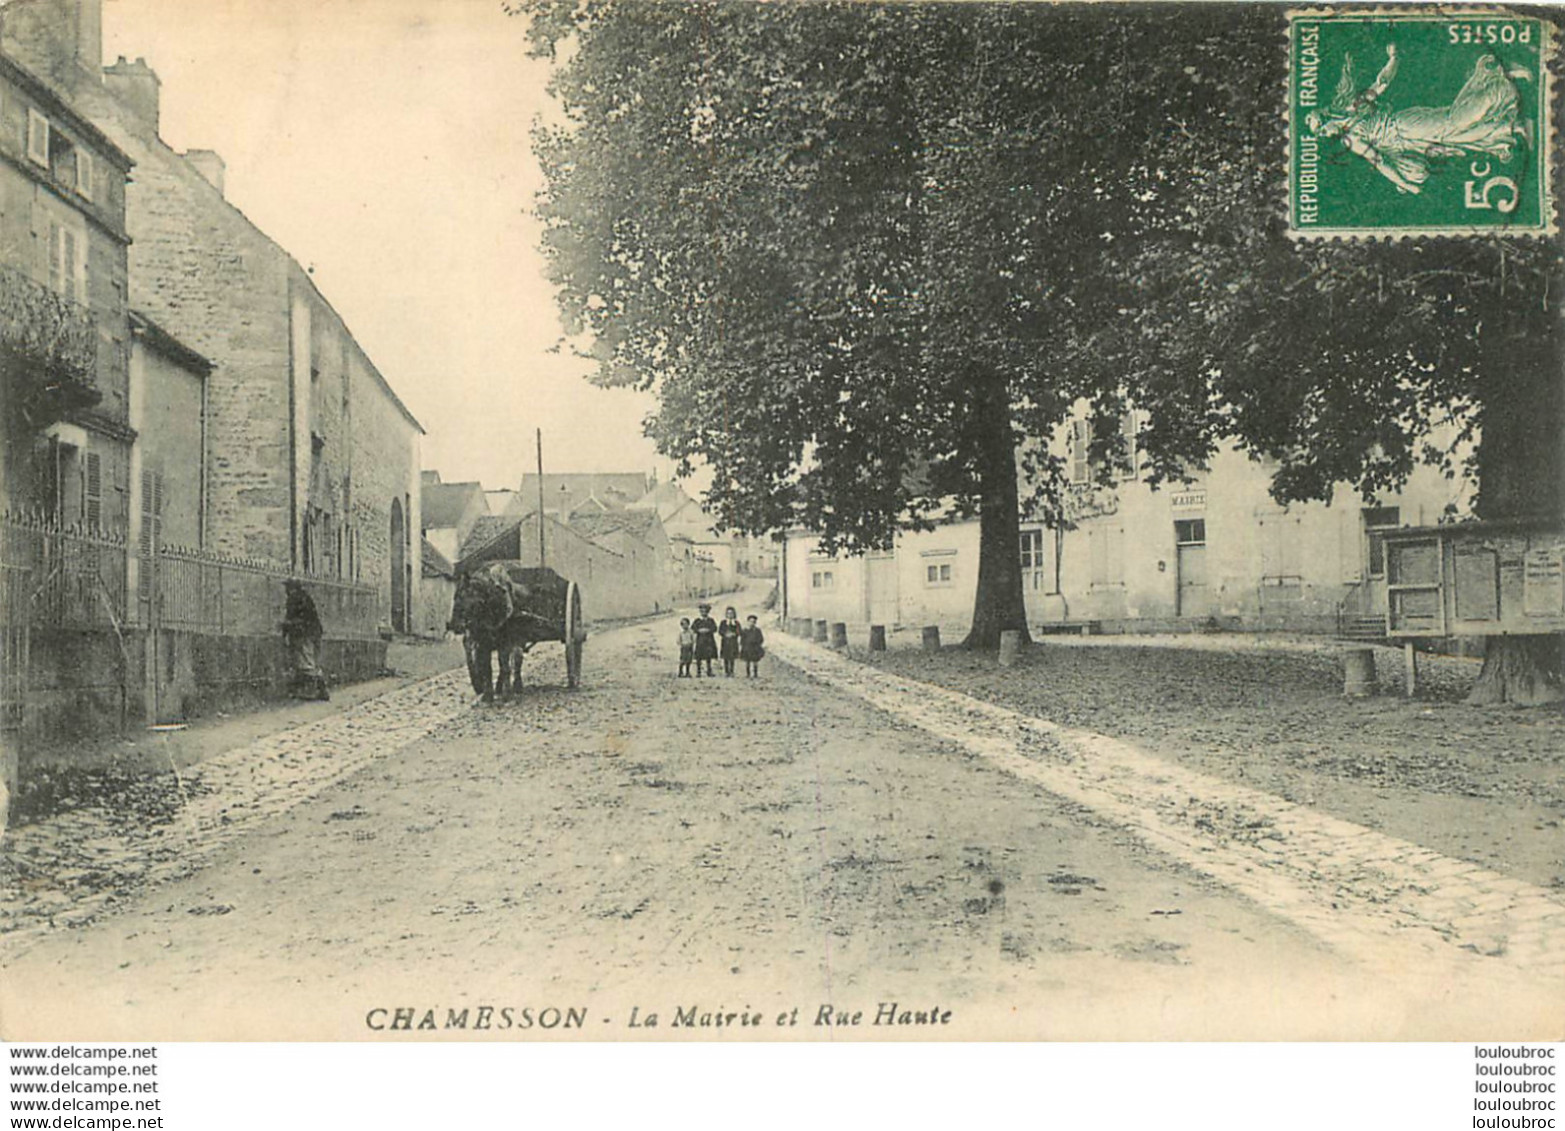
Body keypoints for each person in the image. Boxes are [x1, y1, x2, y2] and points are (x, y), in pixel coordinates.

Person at [1308, 45, 1532, 195]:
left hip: (1404, 124)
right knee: (1456, 137)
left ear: (1328, 117)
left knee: (1452, 123)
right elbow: (1380, 161)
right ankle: (1509, 127)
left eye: (1321, 128)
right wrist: (1403, 182)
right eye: (1319, 134)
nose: (1323, 135)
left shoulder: (1353, 108)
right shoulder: (1351, 139)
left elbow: (1382, 83)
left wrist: (1394, 59)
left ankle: (1499, 86)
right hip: (1408, 142)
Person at [281, 579, 329, 701]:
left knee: (306, 662)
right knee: (312, 662)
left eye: (287, 587)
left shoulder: (295, 599)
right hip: (314, 632)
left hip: (304, 634)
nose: (286, 590)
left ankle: (313, 691)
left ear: (292, 588)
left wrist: (285, 628)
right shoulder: (305, 597)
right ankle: (320, 690)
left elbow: (295, 618)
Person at [691, 603, 718, 677]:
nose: (703, 613)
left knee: (708, 656)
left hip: (709, 640)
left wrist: (708, 630)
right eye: (702, 611)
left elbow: (715, 628)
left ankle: (709, 671)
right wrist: (699, 630)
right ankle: (698, 672)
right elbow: (693, 628)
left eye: (705, 611)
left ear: (708, 612)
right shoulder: (697, 620)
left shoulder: (710, 620)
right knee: (699, 656)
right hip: (700, 640)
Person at [718, 606, 742, 677]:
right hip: (725, 641)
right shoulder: (723, 622)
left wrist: (734, 634)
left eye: (731, 613)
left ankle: (731, 671)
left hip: (733, 642)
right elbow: (720, 631)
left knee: (732, 657)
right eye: (728, 613)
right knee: (726, 656)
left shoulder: (736, 623)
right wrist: (725, 634)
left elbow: (739, 631)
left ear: (734, 614)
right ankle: (726, 671)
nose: (730, 615)